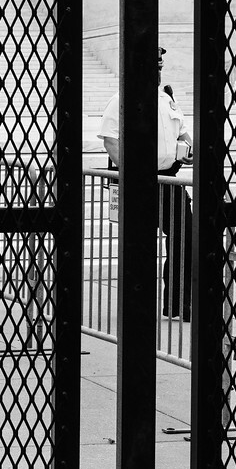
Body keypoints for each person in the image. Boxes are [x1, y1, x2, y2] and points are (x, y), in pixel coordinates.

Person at [96, 47, 193, 320]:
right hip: (139, 183)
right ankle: (138, 307)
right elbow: (110, 140)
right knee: (140, 246)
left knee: (185, 238)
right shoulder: (122, 99)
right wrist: (132, 174)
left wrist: (188, 150)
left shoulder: (167, 99)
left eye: (160, 67)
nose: (158, 71)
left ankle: (177, 302)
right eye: (154, 66)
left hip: (168, 180)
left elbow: (184, 134)